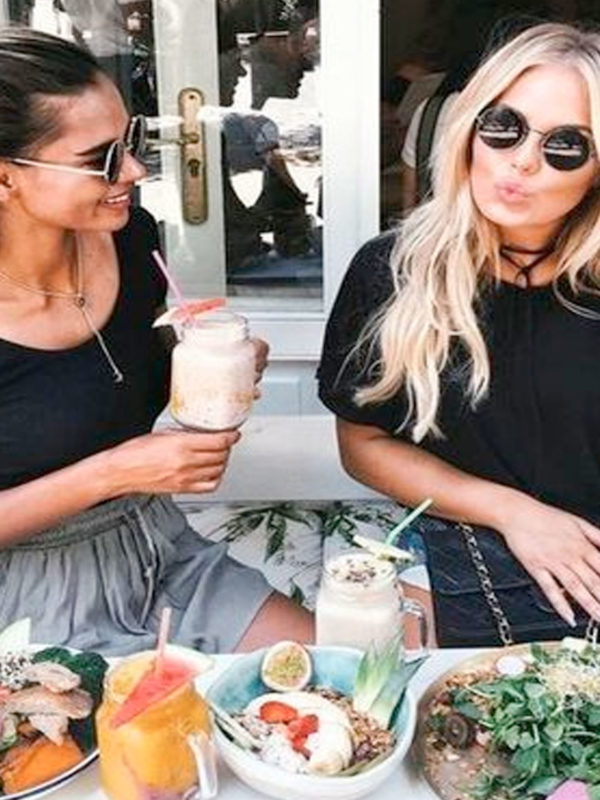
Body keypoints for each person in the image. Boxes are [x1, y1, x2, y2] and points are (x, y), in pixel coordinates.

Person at [0, 27, 313, 656]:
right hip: (24, 599)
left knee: (340, 679)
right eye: (101, 159)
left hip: (159, 548)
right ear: (7, 178)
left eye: (132, 141)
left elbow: (114, 376)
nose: (136, 171)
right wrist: (115, 471)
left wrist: (214, 365)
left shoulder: (130, 238)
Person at [318, 22, 600, 647]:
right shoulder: (394, 270)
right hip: (456, 550)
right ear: (470, 128)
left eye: (566, 145)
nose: (522, 161)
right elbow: (362, 442)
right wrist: (515, 513)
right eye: (504, 127)